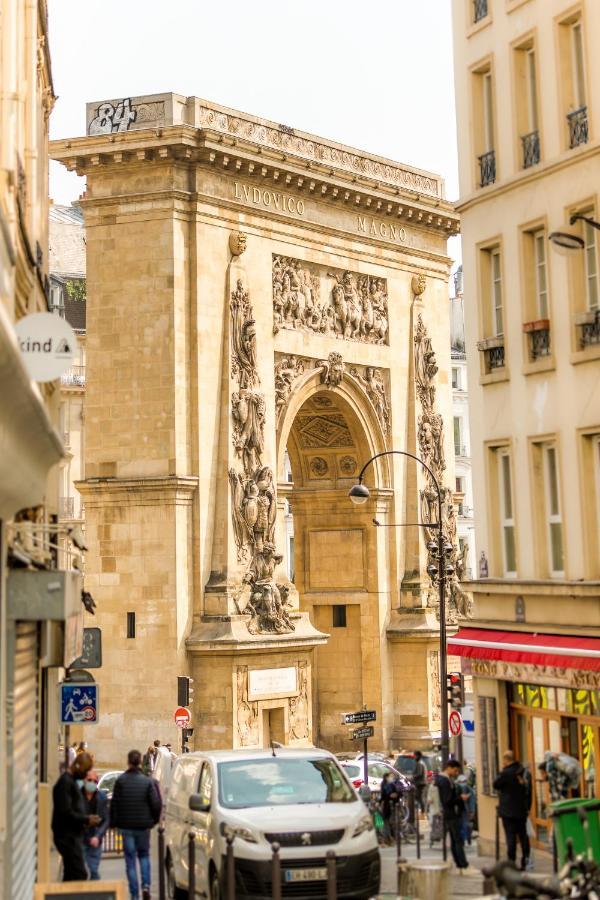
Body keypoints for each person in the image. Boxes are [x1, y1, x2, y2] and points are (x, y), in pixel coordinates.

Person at [110, 749, 162, 900]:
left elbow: (115, 804)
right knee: (144, 856)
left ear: (128, 762)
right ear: (140, 762)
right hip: (143, 826)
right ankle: (146, 886)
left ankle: (134, 894)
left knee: (130, 860)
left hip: (126, 826)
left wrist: (114, 823)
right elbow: (156, 804)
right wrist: (153, 821)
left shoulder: (120, 781)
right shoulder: (147, 782)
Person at [52, 751, 101, 881]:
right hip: (67, 838)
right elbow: (66, 812)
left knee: (72, 874)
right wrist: (86, 819)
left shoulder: (71, 781)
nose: (85, 775)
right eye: (85, 771)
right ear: (78, 766)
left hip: (72, 836)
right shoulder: (65, 783)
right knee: (79, 874)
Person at [435, 760, 477, 876]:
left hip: (449, 813)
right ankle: (463, 865)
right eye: (455, 770)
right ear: (449, 768)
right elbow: (447, 800)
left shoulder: (444, 779)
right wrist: (460, 798)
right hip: (451, 813)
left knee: (455, 840)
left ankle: (460, 864)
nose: (456, 773)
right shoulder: (444, 781)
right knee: (457, 840)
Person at [494, 750, 532, 870]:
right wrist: (528, 807)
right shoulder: (523, 771)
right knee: (523, 836)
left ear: (505, 760)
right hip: (521, 810)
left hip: (508, 811)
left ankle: (511, 862)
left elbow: (495, 784)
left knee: (510, 837)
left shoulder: (505, 773)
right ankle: (525, 860)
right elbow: (528, 791)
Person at [81, 770, 110, 880]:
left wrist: (98, 836)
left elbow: (106, 819)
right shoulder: (78, 795)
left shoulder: (102, 797)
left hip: (95, 840)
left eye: (95, 781)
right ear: (84, 780)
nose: (92, 783)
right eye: (89, 780)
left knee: (93, 870)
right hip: (81, 839)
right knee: (81, 872)